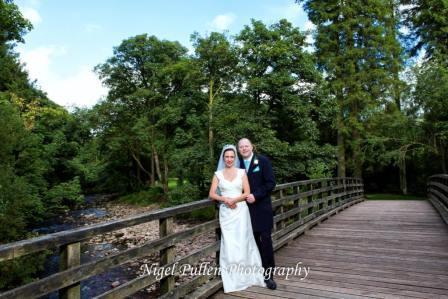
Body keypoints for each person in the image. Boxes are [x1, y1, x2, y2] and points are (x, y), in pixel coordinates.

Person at [209, 144, 265, 293]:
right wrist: (225, 199)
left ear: (235, 158)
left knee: (243, 241)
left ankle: (248, 275)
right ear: (223, 158)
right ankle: (234, 277)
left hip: (240, 211)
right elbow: (212, 194)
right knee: (229, 244)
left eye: (232, 157)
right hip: (226, 212)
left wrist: (235, 200)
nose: (229, 159)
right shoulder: (218, 174)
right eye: (226, 157)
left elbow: (247, 192)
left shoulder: (242, 172)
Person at [238, 138, 277, 290]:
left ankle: (269, 276)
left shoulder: (262, 161)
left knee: (266, 240)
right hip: (245, 211)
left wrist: (256, 195)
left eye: (246, 146)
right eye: (241, 147)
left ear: (252, 146)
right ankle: (256, 271)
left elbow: (270, 183)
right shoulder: (237, 165)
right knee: (253, 242)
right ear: (238, 149)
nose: (244, 148)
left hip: (262, 208)